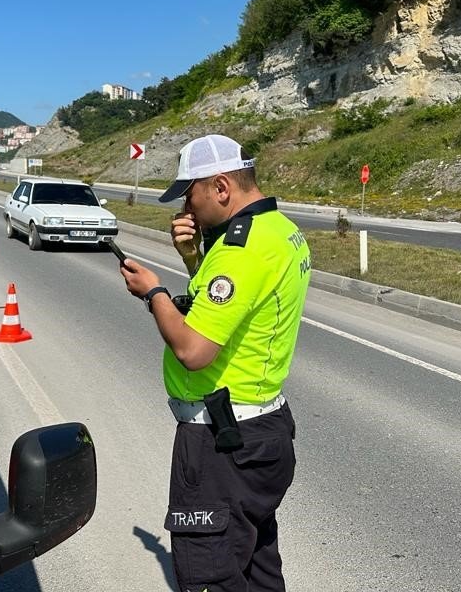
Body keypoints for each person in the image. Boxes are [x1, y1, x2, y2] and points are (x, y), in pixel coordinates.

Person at [119, 134, 311, 592]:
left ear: (221, 187)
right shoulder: (279, 231)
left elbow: (194, 349)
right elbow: (227, 307)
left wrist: (154, 293)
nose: (187, 206)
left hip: (223, 443)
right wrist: (192, 257)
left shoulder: (240, 249)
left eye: (191, 193)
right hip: (261, 432)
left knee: (212, 577)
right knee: (257, 569)